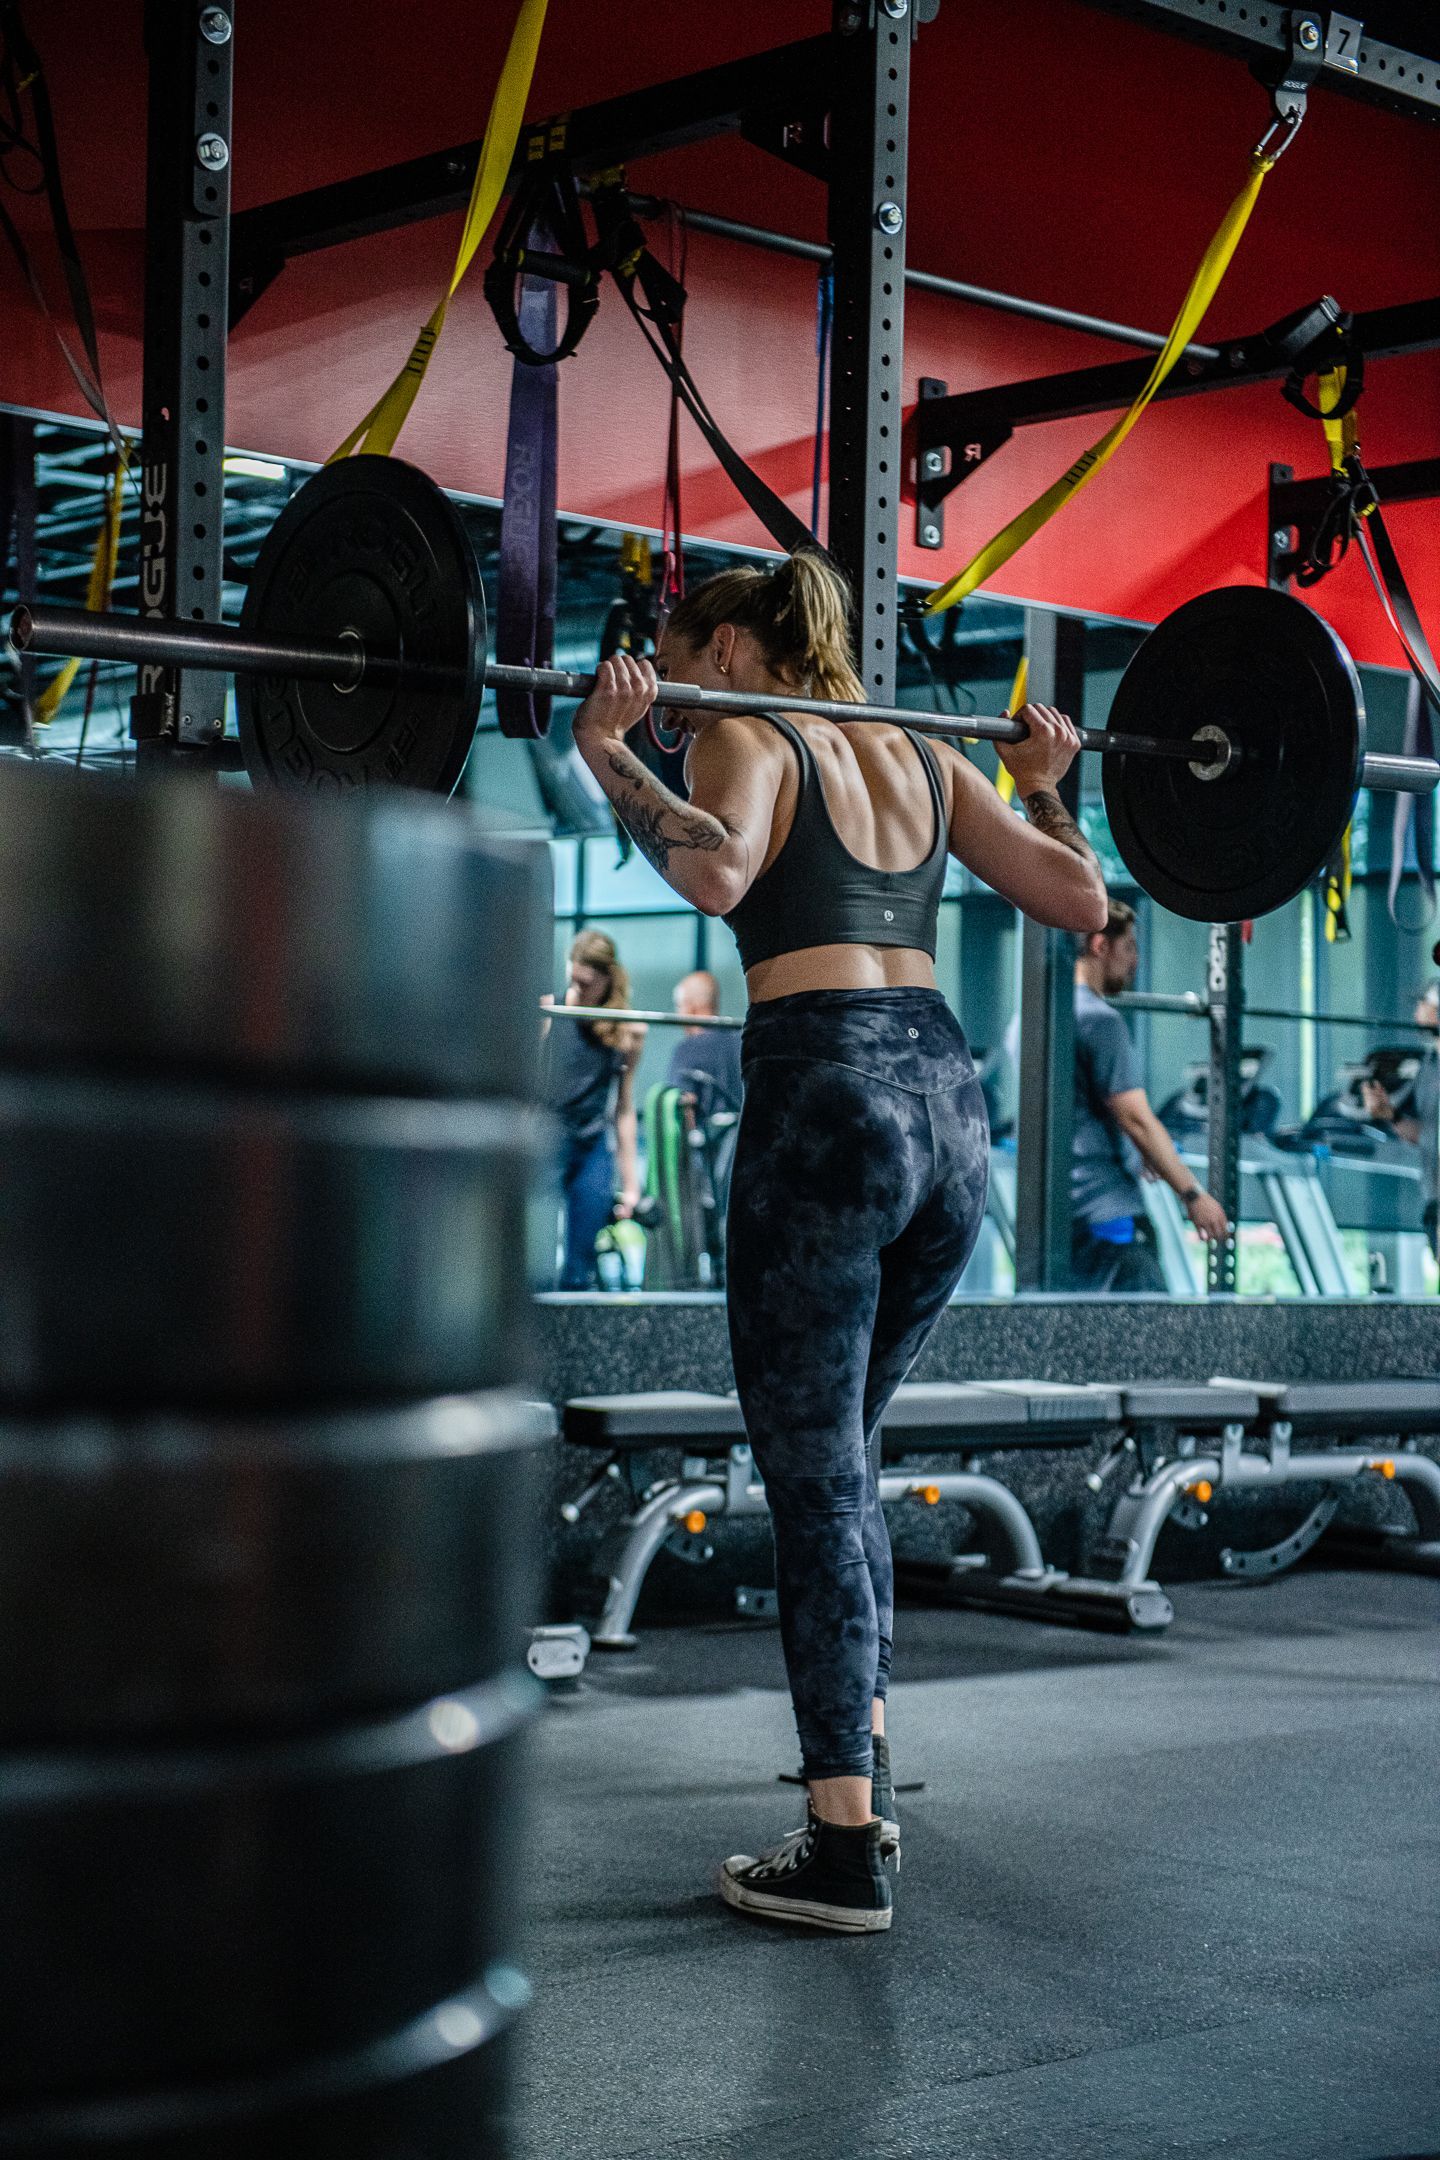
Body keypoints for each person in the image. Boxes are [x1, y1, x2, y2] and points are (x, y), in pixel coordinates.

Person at [570, 547, 1107, 1936]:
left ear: (736, 646)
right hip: (950, 1110)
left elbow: (718, 870)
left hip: (829, 1099)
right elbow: (1079, 901)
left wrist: (609, 753)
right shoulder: (918, 752)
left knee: (811, 1480)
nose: (685, 710)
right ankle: (856, 1749)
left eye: (689, 672)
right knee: (845, 1456)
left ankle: (844, 1842)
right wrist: (1050, 780)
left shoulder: (752, 730)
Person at [1071, 899, 1230, 1290]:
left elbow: (1080, 1111)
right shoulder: (1101, 1022)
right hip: (1108, 1213)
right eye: (1129, 947)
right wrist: (1193, 1195)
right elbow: (1135, 1118)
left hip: (1064, 1216)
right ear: (1099, 946)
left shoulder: (1034, 1018)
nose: (1136, 961)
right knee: (1151, 1340)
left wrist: (1137, 1151)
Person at [540, 930, 645, 1291]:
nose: (578, 990)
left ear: (607, 979)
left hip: (591, 1145)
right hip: (548, 1140)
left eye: (586, 984)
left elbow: (624, 1108)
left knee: (579, 1268)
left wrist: (631, 1185)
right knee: (535, 1266)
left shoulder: (628, 1029)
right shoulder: (549, 1012)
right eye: (573, 980)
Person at [1360, 976, 1440, 1264]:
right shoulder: (1429, 1066)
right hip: (1433, 1198)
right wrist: (1389, 1115)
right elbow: (1426, 1135)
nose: (1417, 1011)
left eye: (1424, 1003)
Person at [665, 969, 744, 1119]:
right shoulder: (743, 1042)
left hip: (706, 1140)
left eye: (678, 1006)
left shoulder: (687, 1049)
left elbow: (682, 1107)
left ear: (690, 1007)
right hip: (743, 1137)